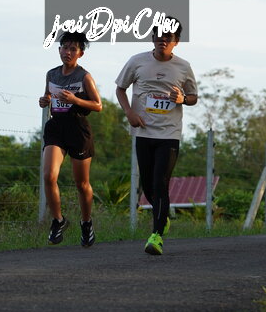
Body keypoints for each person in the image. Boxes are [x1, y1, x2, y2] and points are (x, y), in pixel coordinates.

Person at [115, 24, 198, 255]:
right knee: (148, 186)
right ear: (152, 38)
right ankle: (163, 218)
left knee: (161, 182)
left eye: (168, 37)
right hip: (143, 131)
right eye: (159, 36)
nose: (163, 40)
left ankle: (157, 235)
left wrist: (182, 98)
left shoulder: (183, 66)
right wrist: (129, 113)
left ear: (176, 41)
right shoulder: (137, 61)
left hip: (169, 134)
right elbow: (120, 89)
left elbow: (193, 97)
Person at [39, 31, 102, 247]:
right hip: (56, 127)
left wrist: (75, 100)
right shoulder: (51, 74)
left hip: (78, 128)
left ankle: (86, 222)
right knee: (48, 176)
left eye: (73, 49)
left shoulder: (84, 77)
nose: (68, 52)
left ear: (80, 53)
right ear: (59, 50)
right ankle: (58, 220)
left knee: (81, 183)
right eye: (65, 47)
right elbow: (48, 97)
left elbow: (98, 105)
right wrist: (44, 100)